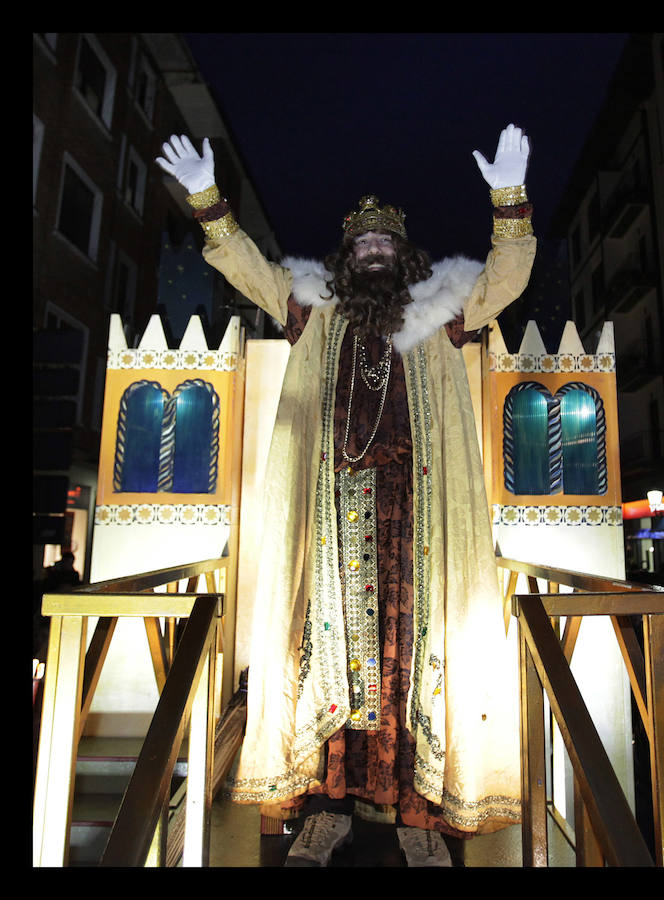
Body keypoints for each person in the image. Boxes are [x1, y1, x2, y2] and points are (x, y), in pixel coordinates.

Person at [156, 125, 536, 866]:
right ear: (345, 257)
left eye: (383, 244)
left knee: (414, 668)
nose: (371, 252)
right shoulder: (309, 307)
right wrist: (206, 198)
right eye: (360, 244)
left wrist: (509, 197)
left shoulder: (446, 310)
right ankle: (325, 811)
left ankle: (419, 821)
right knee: (329, 665)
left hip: (420, 525)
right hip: (331, 522)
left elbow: (510, 272)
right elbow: (242, 265)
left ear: (404, 256)